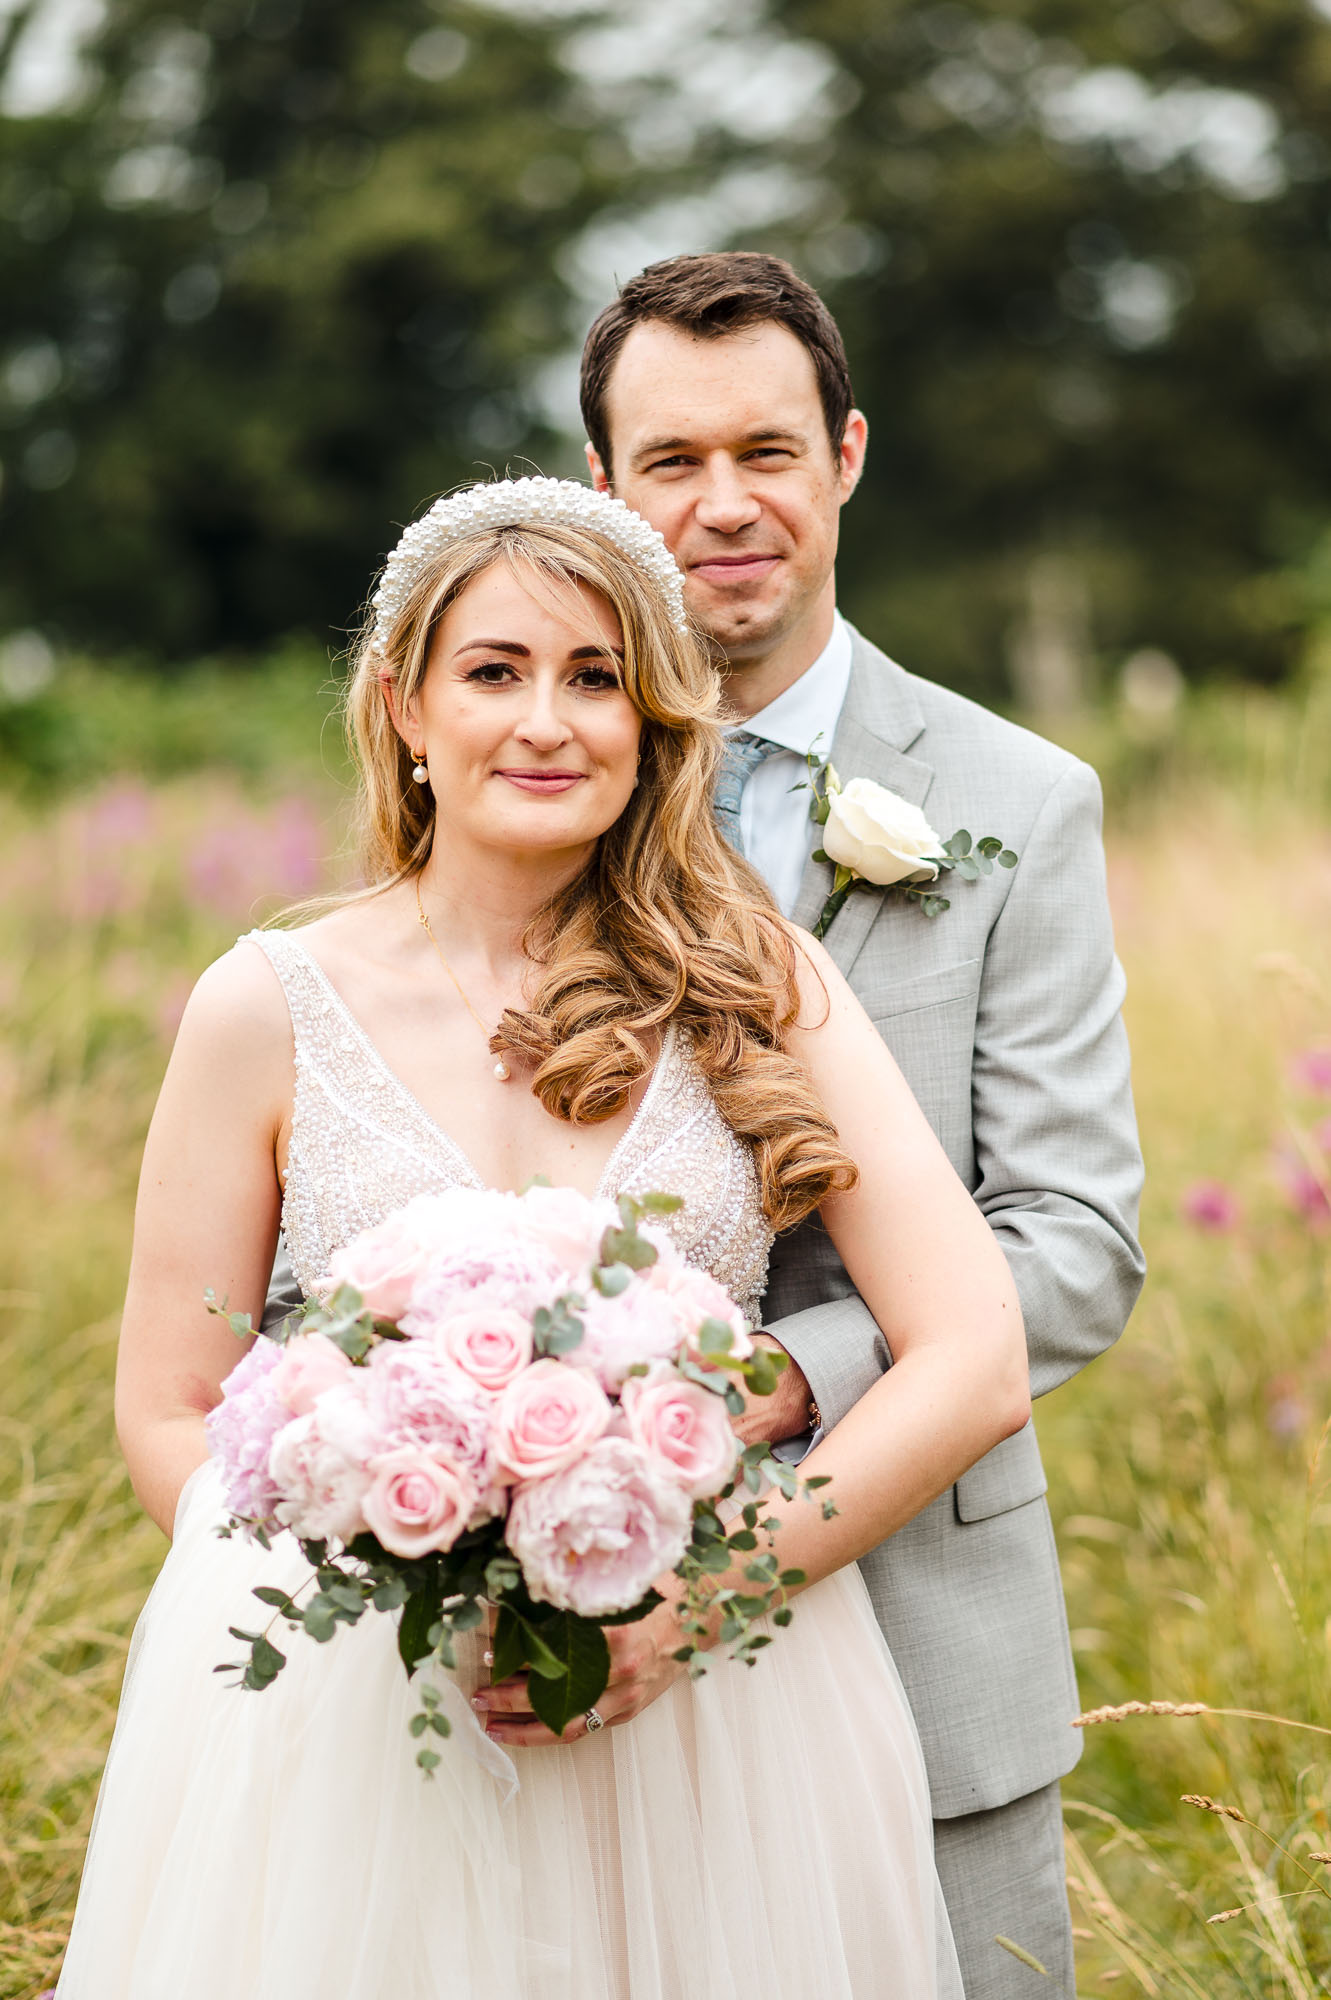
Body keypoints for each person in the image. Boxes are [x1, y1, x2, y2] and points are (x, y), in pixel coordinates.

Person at [56, 478, 1030, 1999]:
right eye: (495, 672)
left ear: (652, 721)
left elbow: (974, 1356)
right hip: (363, 1726)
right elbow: (170, 1406)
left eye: (595, 678)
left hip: (721, 1716)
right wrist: (367, 1594)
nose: (547, 722)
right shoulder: (267, 1007)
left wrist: (697, 1607)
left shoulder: (758, 982)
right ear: (406, 707)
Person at [560, 252, 1147, 1997]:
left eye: (767, 451)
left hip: (924, 1632)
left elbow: (1074, 1243)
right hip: (583, 1591)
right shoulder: (534, 795)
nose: (724, 504)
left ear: (848, 457)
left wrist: (787, 1374)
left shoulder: (1016, 802)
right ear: (603, 484)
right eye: (672, 462)